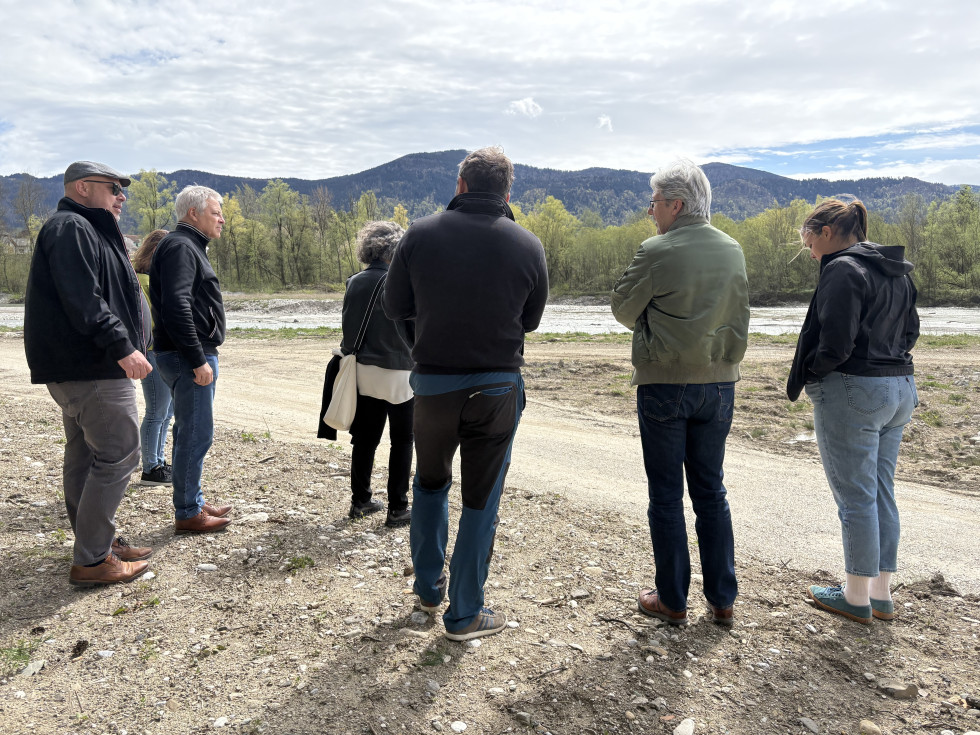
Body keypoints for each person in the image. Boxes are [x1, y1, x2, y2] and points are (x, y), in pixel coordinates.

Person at [384, 146, 548, 641]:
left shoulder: (419, 234)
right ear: (507, 192)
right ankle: (466, 613)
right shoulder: (528, 243)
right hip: (497, 386)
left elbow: (395, 305)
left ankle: (428, 590)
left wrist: (424, 345)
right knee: (481, 497)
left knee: (430, 483)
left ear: (460, 185)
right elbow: (531, 320)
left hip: (433, 384)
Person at [611, 159, 749, 627]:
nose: (650, 211)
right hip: (720, 383)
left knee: (667, 495)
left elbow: (623, 309)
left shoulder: (656, 250)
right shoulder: (733, 248)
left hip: (665, 383)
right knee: (711, 491)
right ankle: (722, 599)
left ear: (675, 204)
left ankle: (672, 600)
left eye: (653, 203)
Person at [788, 199, 918, 625]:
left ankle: (856, 597)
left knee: (856, 497)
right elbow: (912, 331)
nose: (810, 253)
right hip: (900, 387)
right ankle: (880, 594)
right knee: (880, 491)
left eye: (809, 243)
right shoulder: (895, 269)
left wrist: (812, 374)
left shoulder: (842, 268)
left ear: (826, 232)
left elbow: (836, 342)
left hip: (855, 389)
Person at [24, 160, 153, 586]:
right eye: (113, 188)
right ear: (82, 187)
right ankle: (93, 559)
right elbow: (84, 300)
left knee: (85, 454)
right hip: (93, 366)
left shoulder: (85, 229)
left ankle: (96, 542)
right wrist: (122, 347)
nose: (121, 196)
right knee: (119, 453)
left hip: (82, 366)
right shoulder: (72, 228)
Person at [149, 185, 233, 534]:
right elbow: (177, 305)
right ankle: (187, 512)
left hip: (184, 354)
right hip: (188, 356)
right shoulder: (182, 247)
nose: (222, 219)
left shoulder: (185, 245)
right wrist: (198, 359)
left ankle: (192, 500)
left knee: (189, 430)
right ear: (193, 213)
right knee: (196, 434)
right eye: (216, 212)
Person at [340, 221, 415, 527]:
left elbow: (348, 329)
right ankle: (397, 508)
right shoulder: (403, 282)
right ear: (395, 249)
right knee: (402, 441)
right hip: (399, 373)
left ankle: (360, 501)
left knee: (365, 439)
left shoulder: (354, 282)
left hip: (364, 370)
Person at [131, 229, 175, 486]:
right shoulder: (141, 282)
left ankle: (158, 461)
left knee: (166, 411)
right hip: (153, 351)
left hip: (162, 350)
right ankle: (151, 468)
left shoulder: (153, 279)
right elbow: (152, 320)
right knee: (157, 411)